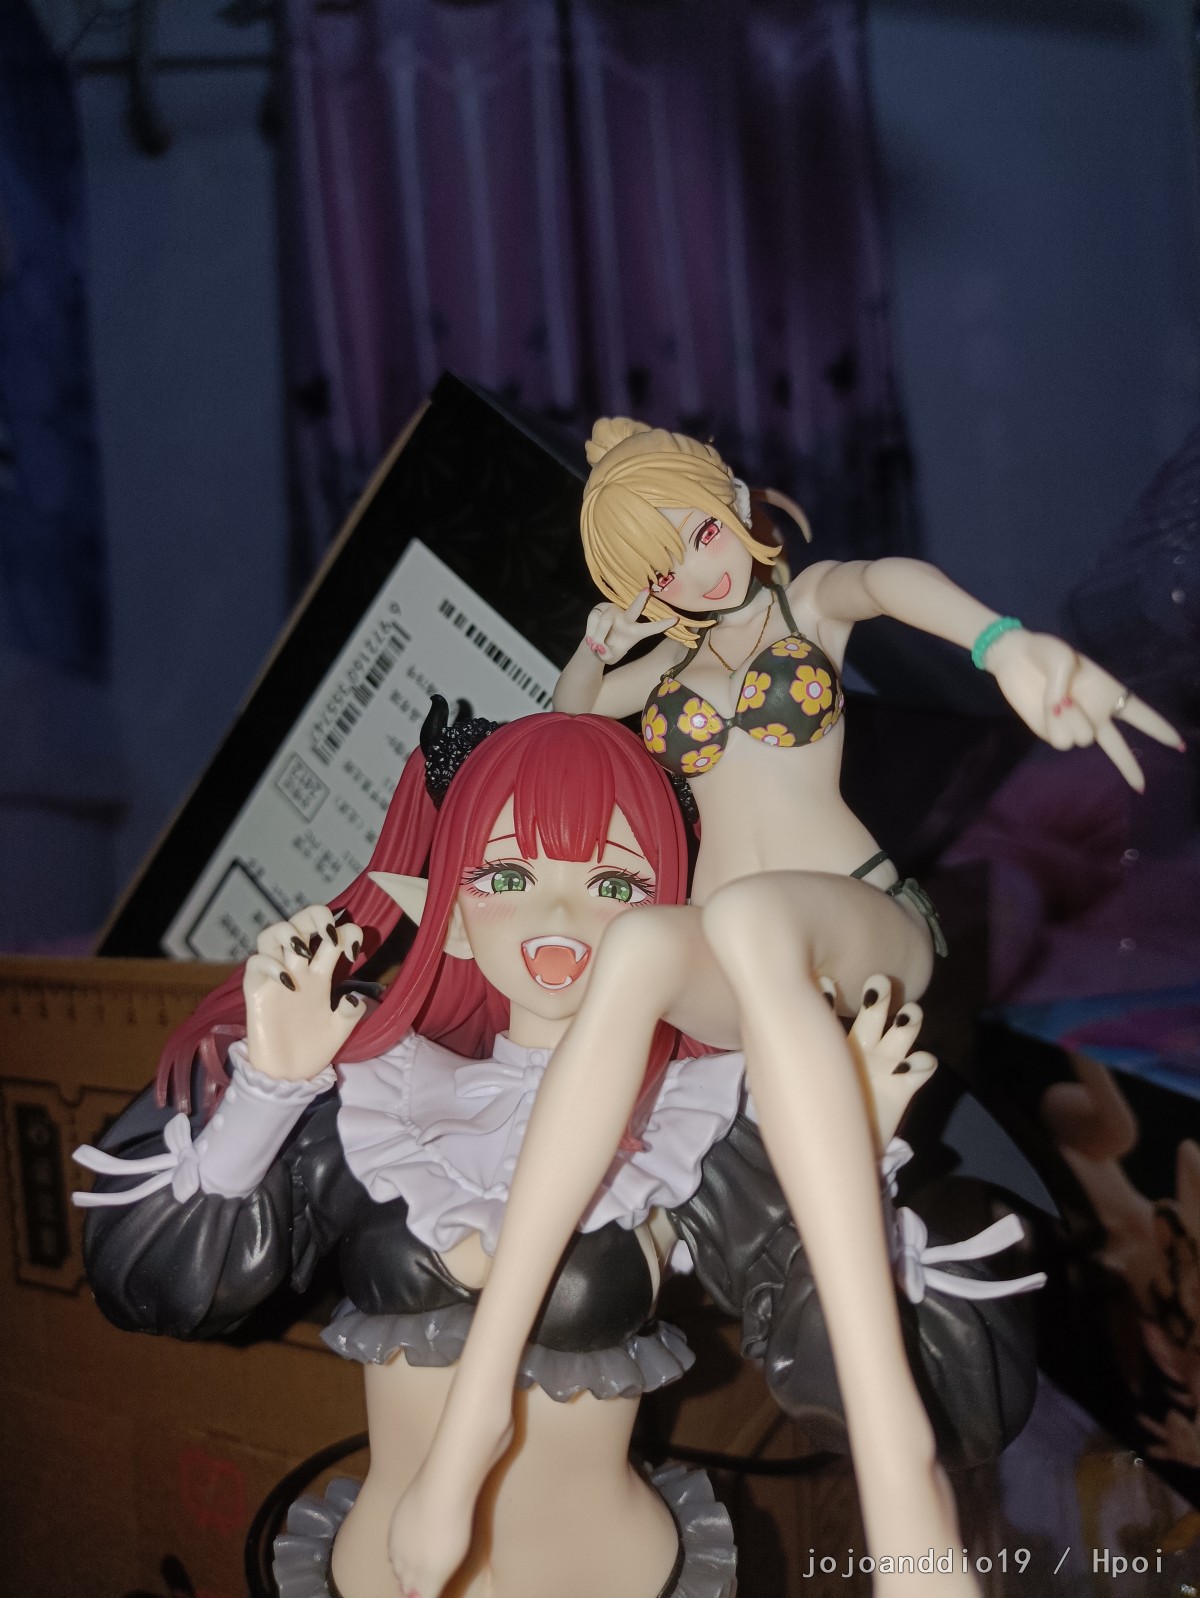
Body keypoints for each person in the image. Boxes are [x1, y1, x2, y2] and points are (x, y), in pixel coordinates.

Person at [386, 419, 1182, 1598]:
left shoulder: (804, 611)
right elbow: (566, 742)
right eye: (658, 568)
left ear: (735, 507)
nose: (696, 574)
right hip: (734, 969)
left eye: (701, 535)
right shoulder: (656, 674)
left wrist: (1004, 642)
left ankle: (899, 1465)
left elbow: (888, 582)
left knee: (756, 917)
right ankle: (474, 1416)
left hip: (858, 927)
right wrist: (593, 658)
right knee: (644, 940)